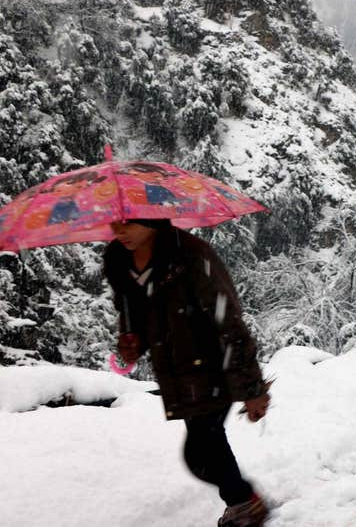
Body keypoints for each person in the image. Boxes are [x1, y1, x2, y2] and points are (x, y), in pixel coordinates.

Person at [104, 218, 271, 527]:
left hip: (216, 364)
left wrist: (253, 389)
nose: (120, 231)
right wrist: (131, 339)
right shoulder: (119, 260)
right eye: (115, 224)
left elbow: (229, 322)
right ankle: (245, 502)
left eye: (128, 223)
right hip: (177, 372)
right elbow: (134, 313)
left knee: (202, 448)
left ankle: (245, 503)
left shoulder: (192, 256)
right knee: (203, 449)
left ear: (152, 220)